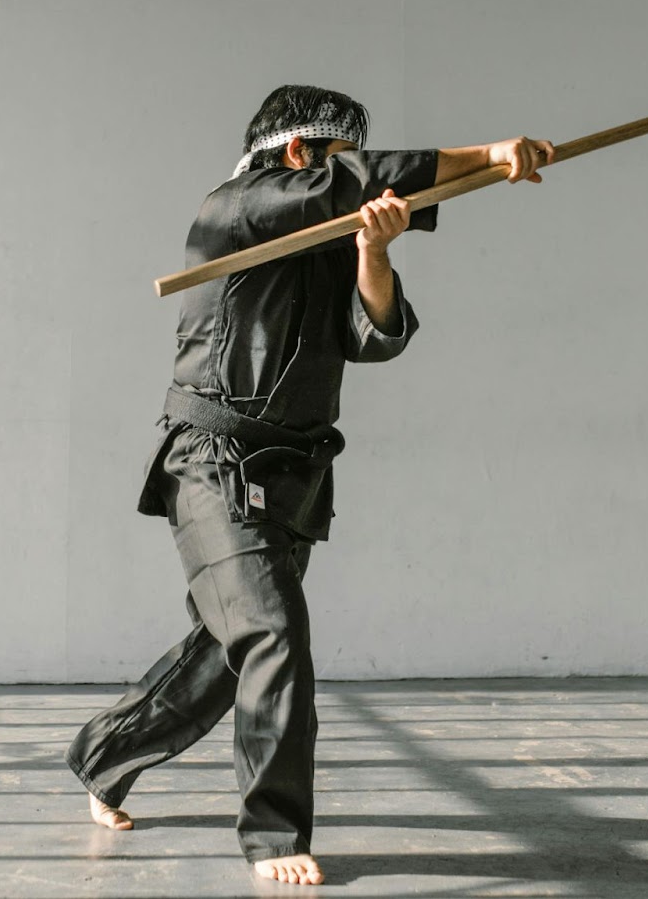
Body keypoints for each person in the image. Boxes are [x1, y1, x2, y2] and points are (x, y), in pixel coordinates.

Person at [66, 84, 552, 886]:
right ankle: (273, 836)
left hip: (294, 474)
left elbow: (375, 338)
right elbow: (356, 182)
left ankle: (103, 752)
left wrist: (373, 252)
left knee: (228, 651)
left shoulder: (329, 238)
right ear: (298, 154)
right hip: (213, 462)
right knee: (275, 634)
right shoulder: (236, 210)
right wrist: (492, 154)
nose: (353, 178)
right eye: (340, 160)